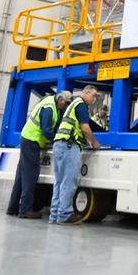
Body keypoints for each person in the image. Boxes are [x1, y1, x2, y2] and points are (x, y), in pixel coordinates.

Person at [8, 90, 67, 219]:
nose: (65, 106)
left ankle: (12, 207)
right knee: (31, 176)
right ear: (61, 99)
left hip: (27, 138)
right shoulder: (49, 109)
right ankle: (25, 210)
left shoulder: (52, 104)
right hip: (31, 141)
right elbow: (46, 131)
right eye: (65, 103)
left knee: (21, 176)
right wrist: (58, 138)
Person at [50, 85, 102, 225]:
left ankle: (54, 215)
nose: (95, 98)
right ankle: (65, 215)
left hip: (60, 144)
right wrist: (94, 142)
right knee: (68, 182)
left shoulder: (73, 105)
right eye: (93, 95)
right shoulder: (81, 105)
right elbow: (85, 127)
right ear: (86, 92)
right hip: (69, 146)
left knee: (59, 182)